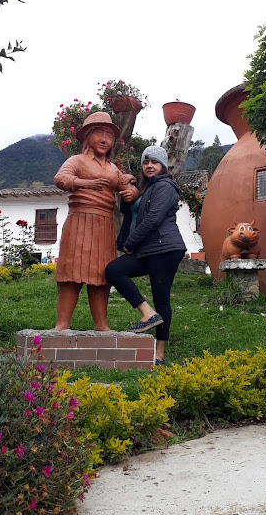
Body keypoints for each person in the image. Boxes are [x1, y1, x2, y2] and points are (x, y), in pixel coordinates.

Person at [53, 112, 138, 331]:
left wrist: (131, 192)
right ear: (88, 137)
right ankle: (62, 324)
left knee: (102, 273)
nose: (104, 139)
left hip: (103, 224)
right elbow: (60, 179)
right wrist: (85, 183)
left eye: (108, 136)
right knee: (70, 273)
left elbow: (127, 186)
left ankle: (101, 324)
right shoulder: (76, 161)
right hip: (79, 220)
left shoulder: (112, 169)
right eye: (99, 133)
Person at [105, 145, 186, 365]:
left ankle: (159, 354)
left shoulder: (166, 186)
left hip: (165, 249)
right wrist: (129, 185)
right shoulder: (149, 188)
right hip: (150, 250)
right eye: (146, 162)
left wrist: (130, 243)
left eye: (155, 162)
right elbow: (128, 209)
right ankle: (147, 313)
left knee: (162, 299)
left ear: (163, 166)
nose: (150, 166)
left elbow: (153, 219)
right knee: (114, 269)